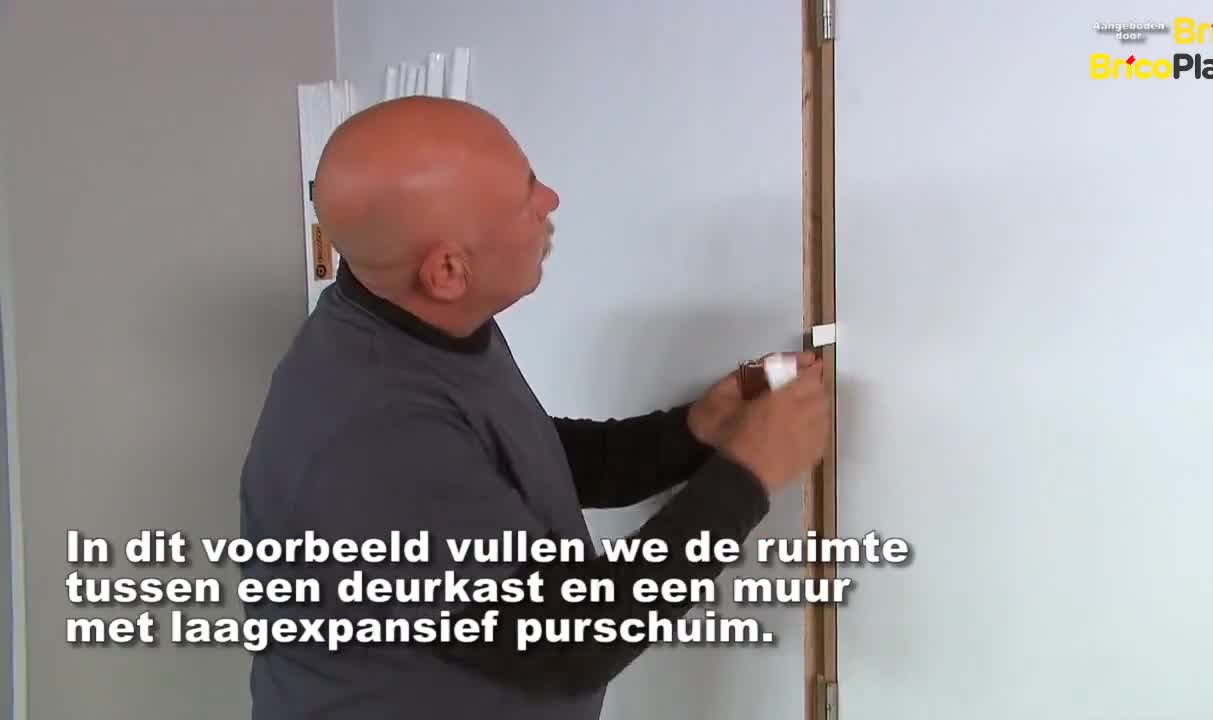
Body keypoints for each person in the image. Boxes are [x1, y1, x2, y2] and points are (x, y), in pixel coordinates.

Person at [238, 96, 830, 720]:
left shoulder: (413, 318)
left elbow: (510, 459)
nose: (550, 198)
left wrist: (691, 432)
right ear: (448, 271)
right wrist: (747, 476)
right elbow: (566, 640)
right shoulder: (368, 435)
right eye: (526, 195)